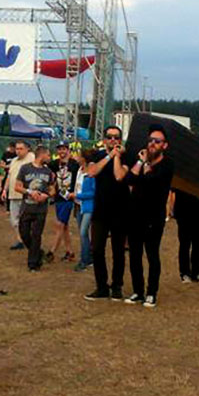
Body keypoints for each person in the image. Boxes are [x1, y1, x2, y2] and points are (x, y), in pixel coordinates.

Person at [123, 125, 174, 307]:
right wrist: (140, 162)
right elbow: (129, 180)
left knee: (152, 255)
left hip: (154, 217)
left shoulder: (167, 165)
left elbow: (152, 181)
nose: (152, 144)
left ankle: (152, 292)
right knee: (134, 255)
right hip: (135, 215)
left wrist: (144, 170)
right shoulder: (143, 162)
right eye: (151, 140)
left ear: (164, 145)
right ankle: (138, 291)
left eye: (157, 141)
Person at [83, 126, 131, 301]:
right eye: (110, 137)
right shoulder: (97, 155)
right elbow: (92, 172)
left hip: (120, 209)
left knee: (118, 250)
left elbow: (119, 176)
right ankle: (101, 286)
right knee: (97, 248)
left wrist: (117, 156)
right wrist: (109, 156)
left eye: (116, 137)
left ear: (120, 139)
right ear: (104, 140)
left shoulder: (127, 156)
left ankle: (117, 286)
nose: (113, 140)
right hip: (101, 209)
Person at [14, 145, 55, 272]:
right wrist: (29, 192)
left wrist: (46, 195)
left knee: (37, 235)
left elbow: (53, 189)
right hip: (27, 207)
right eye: (48, 155)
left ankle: (33, 264)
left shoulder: (48, 172)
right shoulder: (25, 168)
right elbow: (17, 186)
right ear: (41, 155)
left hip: (41, 210)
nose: (49, 158)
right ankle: (38, 252)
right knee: (24, 234)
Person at [46, 143, 80, 262]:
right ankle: (69, 252)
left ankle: (51, 251)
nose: (62, 151)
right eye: (59, 149)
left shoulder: (75, 164)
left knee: (59, 224)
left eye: (64, 149)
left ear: (68, 150)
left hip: (69, 198)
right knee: (64, 226)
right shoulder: (54, 164)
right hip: (58, 198)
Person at [172, 187, 199, 284]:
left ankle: (196, 272)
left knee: (198, 245)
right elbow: (174, 187)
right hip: (183, 213)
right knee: (185, 245)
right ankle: (185, 273)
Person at [4, 140, 34, 250]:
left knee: (26, 219)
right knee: (14, 220)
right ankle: (20, 239)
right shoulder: (14, 161)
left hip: (26, 194)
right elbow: (9, 176)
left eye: (21, 149)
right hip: (13, 194)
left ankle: (27, 240)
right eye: (17, 149)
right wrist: (4, 189)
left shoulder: (31, 158)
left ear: (27, 149)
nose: (18, 151)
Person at [73, 150, 96, 272]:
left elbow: (94, 192)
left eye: (78, 155)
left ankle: (84, 260)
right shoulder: (80, 170)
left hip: (88, 206)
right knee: (84, 233)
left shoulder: (91, 172)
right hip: (79, 205)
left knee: (83, 233)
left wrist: (78, 195)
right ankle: (89, 257)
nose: (76, 157)